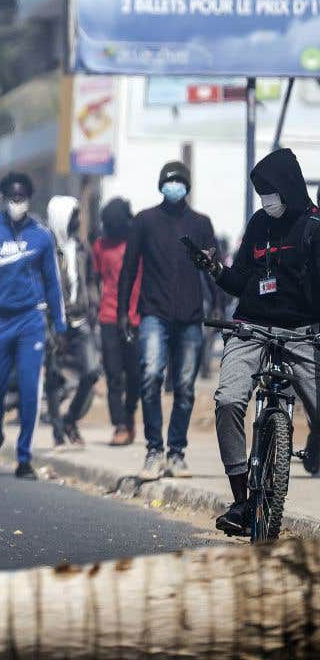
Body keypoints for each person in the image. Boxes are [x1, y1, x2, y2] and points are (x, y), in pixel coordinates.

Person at [188, 148, 320, 535]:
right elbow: (241, 280)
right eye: (261, 192)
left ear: (289, 188)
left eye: (271, 191)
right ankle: (243, 500)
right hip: (250, 328)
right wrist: (213, 269)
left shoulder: (314, 228)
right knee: (228, 400)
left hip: (302, 333)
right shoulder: (259, 223)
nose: (267, 199)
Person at [117, 161, 217, 480]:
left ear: (187, 186)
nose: (173, 185)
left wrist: (217, 305)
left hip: (190, 317)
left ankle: (176, 452)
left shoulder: (201, 224)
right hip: (153, 314)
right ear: (160, 185)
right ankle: (153, 450)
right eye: (168, 180)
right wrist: (123, 311)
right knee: (150, 378)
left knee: (185, 387)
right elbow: (129, 269)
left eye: (179, 180)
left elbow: (213, 271)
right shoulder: (145, 221)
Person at [0, 172, 66, 480]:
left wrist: (60, 325)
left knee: (29, 389)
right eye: (12, 197)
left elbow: (53, 282)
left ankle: (24, 457)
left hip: (30, 320)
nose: (17, 203)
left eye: (22, 197)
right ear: (3, 197)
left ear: (30, 198)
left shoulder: (41, 235)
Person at [45, 195, 95, 448]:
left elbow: (91, 279)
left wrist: (93, 304)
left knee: (91, 372)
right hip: (54, 323)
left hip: (81, 320)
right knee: (53, 377)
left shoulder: (82, 247)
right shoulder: (46, 250)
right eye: (74, 216)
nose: (78, 221)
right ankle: (57, 431)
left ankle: (70, 419)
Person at [92, 199, 142, 446]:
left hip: (135, 317)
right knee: (113, 374)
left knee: (134, 374)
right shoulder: (101, 246)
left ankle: (130, 414)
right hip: (109, 317)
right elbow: (96, 278)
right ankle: (119, 424)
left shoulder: (137, 243)